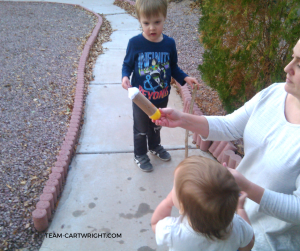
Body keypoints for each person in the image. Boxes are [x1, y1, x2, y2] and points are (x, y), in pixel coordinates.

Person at [153, 39, 300, 250]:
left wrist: (248, 187)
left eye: (299, 64)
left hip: (269, 241)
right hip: (231, 221)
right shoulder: (276, 93)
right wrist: (182, 119)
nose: (287, 68)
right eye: (292, 57)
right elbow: (230, 126)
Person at [121, 0, 199, 172]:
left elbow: (173, 68)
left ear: (164, 18)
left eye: (157, 22)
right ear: (140, 20)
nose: (152, 28)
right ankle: (140, 154)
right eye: (146, 23)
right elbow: (127, 64)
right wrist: (125, 76)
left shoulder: (169, 44)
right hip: (141, 99)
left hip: (161, 97)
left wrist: (185, 78)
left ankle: (154, 146)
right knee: (141, 129)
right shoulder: (135, 43)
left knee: (157, 125)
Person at [151, 155, 255, 251]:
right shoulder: (237, 226)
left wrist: (167, 202)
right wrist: (240, 209)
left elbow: (155, 223)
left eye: (174, 186)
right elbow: (249, 244)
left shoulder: (172, 232)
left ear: (182, 207)